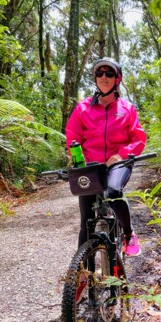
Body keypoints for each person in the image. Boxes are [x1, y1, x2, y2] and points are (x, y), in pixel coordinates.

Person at [65, 57, 147, 256]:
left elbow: (139, 138)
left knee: (112, 191)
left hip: (118, 163)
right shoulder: (83, 108)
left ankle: (128, 234)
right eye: (99, 73)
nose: (104, 77)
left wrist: (122, 155)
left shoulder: (127, 108)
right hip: (91, 166)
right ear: (95, 78)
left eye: (109, 73)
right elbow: (73, 136)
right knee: (86, 221)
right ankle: (80, 272)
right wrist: (78, 160)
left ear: (116, 79)